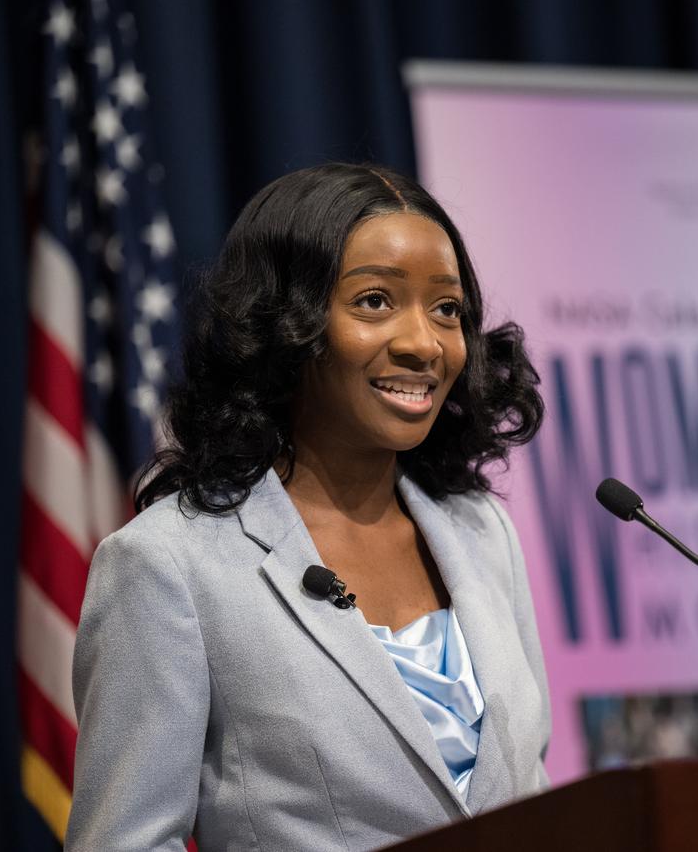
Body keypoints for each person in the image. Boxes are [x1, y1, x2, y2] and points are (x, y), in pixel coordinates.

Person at [65, 163, 551, 851]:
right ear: (287, 322)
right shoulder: (167, 564)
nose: (423, 343)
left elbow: (532, 786)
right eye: (376, 301)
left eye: (447, 309)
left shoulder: (482, 530)